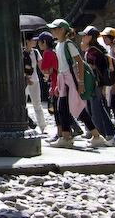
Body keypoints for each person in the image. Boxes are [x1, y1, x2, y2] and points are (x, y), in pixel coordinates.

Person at [46, 19, 108, 148]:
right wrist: (58, 83)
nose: (52, 31)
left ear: (62, 30)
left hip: (71, 80)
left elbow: (79, 62)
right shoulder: (59, 45)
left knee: (70, 108)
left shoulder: (68, 45)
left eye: (54, 29)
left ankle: (71, 137)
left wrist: (80, 82)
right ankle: (89, 136)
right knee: (68, 108)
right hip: (64, 79)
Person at [79, 26, 115, 139]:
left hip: (94, 83)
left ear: (90, 37)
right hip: (99, 83)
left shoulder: (92, 52)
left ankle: (99, 134)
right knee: (99, 107)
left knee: (95, 110)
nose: (83, 38)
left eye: (85, 36)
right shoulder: (98, 49)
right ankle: (110, 131)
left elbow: (90, 67)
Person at [23, 32, 47, 134]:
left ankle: (43, 126)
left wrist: (46, 74)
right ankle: (25, 124)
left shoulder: (36, 52)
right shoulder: (22, 52)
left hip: (35, 80)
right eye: (33, 40)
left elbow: (41, 66)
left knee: (37, 103)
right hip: (24, 81)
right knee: (23, 104)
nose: (35, 42)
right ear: (27, 41)